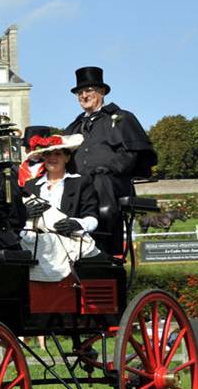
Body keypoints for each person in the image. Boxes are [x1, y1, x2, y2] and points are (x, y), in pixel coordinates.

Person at [63, 67, 157, 254]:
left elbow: (131, 155)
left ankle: (104, 239)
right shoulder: (74, 126)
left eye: (88, 90)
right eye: (80, 93)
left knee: (99, 180)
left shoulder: (121, 118)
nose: (84, 96)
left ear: (102, 92)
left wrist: (106, 168)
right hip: (82, 185)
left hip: (113, 182)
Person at [20, 133, 102, 282]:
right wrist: (25, 213)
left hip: (68, 237)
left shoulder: (81, 183)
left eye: (57, 154)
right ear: (43, 158)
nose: (52, 158)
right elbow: (18, 219)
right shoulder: (30, 186)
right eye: (48, 154)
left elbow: (92, 217)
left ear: (67, 157)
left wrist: (76, 224)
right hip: (35, 239)